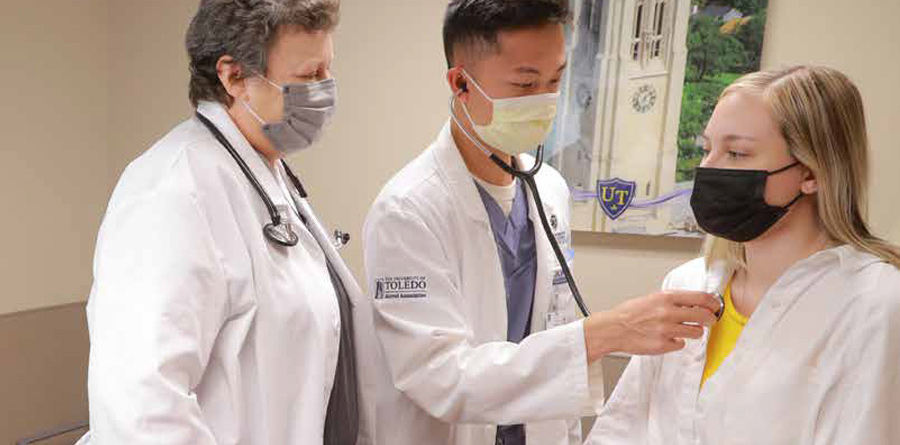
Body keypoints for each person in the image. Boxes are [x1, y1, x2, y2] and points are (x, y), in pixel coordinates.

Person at [362, 1, 720, 444]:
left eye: (555, 79)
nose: (546, 100)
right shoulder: (408, 210)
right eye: (525, 83)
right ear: (460, 83)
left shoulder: (548, 189)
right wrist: (604, 334)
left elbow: (552, 327)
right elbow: (440, 378)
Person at [75, 1, 375, 444]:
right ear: (234, 76)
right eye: (308, 76)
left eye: (328, 71)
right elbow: (142, 406)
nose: (325, 90)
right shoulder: (173, 189)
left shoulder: (261, 173)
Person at [586, 65, 900, 445]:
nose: (709, 168)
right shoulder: (688, 284)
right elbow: (623, 428)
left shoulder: (874, 305)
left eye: (736, 153)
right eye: (707, 149)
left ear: (812, 172)